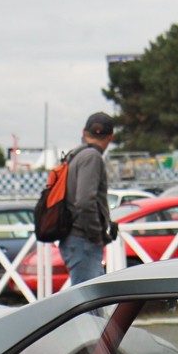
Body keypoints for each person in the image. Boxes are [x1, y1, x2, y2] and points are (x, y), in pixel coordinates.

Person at [60, 112, 118, 286]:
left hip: (73, 237)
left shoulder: (75, 155)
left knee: (87, 301)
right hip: (83, 240)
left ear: (84, 132)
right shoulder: (92, 158)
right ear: (111, 137)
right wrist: (96, 235)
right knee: (90, 303)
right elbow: (85, 202)